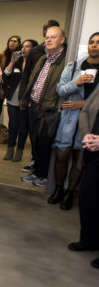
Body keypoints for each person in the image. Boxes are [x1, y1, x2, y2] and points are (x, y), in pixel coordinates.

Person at [49, 32, 99, 210]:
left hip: (91, 121)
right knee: (61, 154)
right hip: (69, 118)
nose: (94, 45)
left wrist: (84, 103)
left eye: (98, 43)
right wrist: (76, 82)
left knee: (79, 157)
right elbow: (60, 90)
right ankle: (58, 189)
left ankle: (70, 192)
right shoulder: (74, 66)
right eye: (91, 42)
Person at [21, 26, 67, 187]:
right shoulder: (43, 58)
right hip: (34, 106)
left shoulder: (65, 61)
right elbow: (33, 80)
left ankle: (44, 175)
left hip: (49, 109)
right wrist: (27, 98)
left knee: (44, 144)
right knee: (35, 142)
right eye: (47, 37)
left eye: (53, 37)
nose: (48, 40)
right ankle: (37, 172)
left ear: (62, 40)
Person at [68, 72, 99, 261]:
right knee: (88, 198)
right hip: (92, 151)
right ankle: (88, 240)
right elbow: (86, 110)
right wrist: (86, 134)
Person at [2, 39, 38, 161]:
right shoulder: (17, 62)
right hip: (12, 100)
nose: (24, 48)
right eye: (23, 46)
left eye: (28, 46)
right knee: (13, 125)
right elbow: (6, 74)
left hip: (26, 101)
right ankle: (10, 148)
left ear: (33, 49)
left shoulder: (36, 63)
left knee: (23, 127)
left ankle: (19, 150)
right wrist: (12, 62)